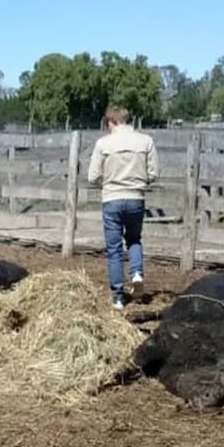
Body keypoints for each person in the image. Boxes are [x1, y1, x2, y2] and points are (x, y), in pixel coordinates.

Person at [86, 106, 158, 309]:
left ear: (112, 122)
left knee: (114, 249)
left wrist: (108, 182)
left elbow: (92, 177)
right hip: (136, 198)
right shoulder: (145, 141)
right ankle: (136, 273)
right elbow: (153, 173)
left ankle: (118, 296)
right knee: (134, 239)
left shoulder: (104, 143)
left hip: (112, 199)